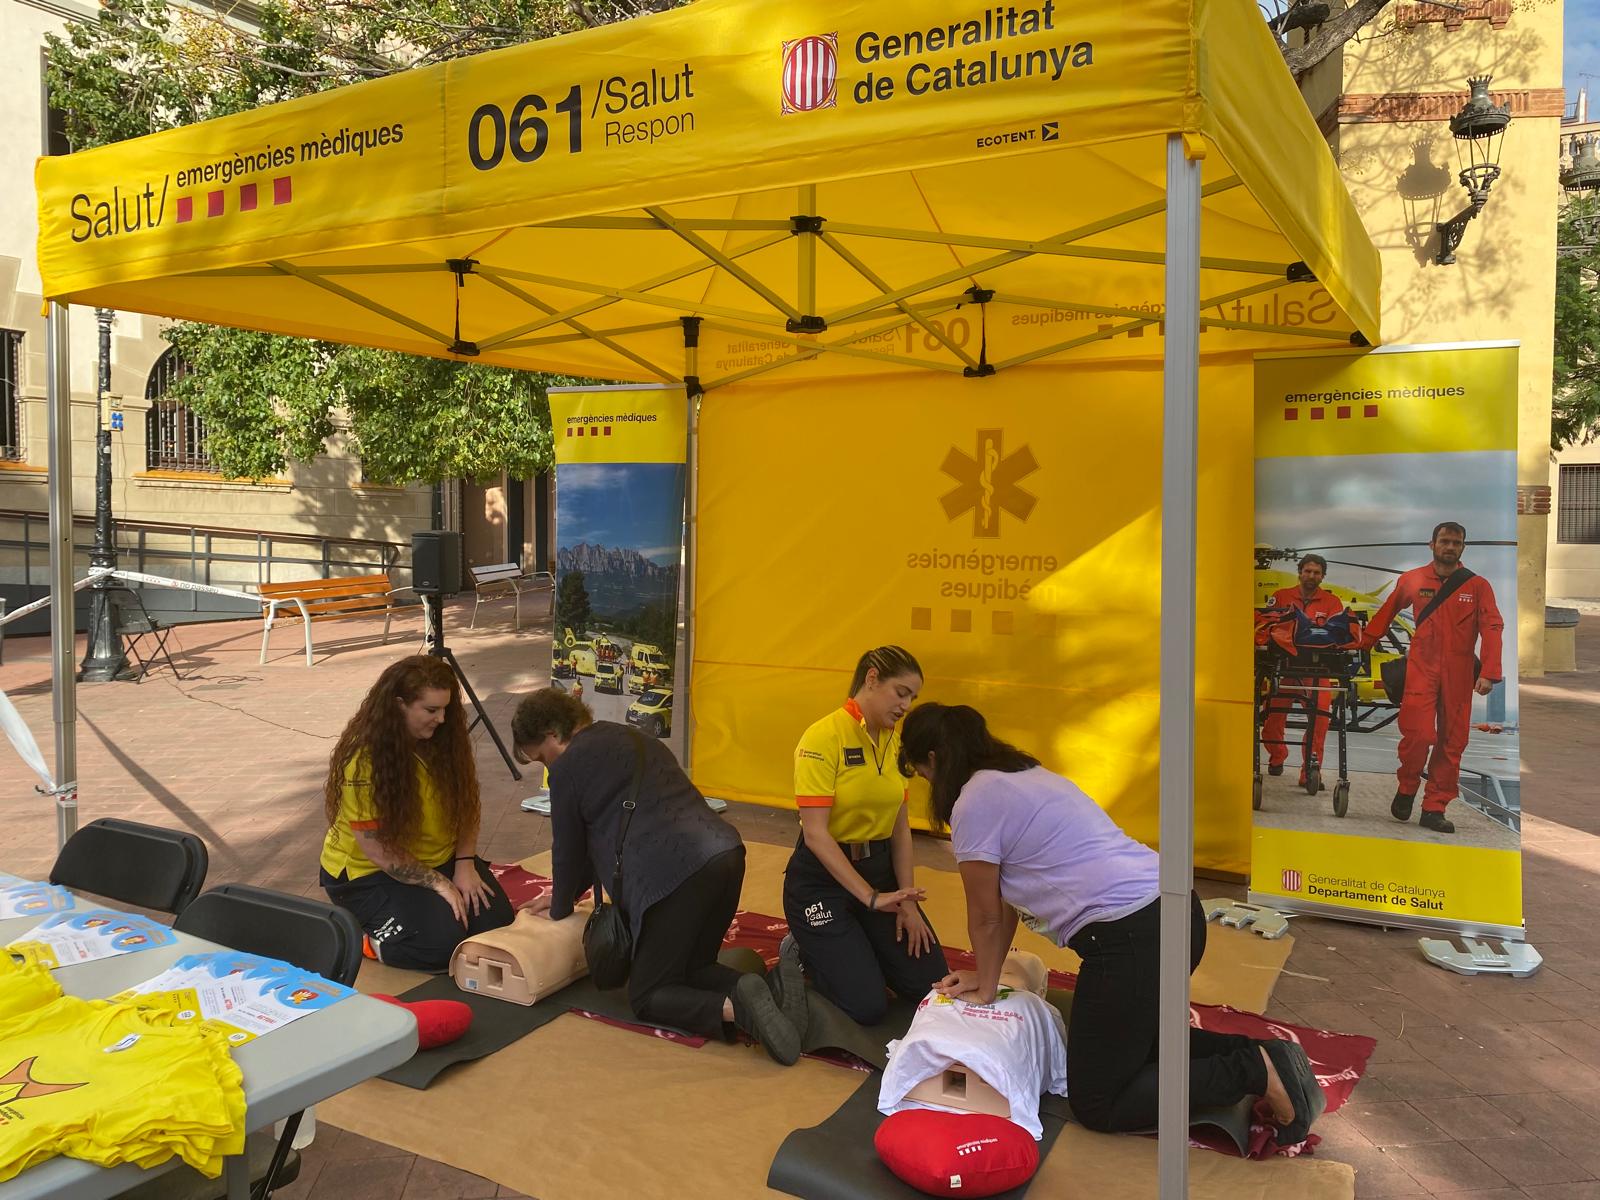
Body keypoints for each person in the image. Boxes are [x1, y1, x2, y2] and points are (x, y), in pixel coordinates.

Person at [898, 703, 1323, 1146]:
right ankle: (1267, 1056)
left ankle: (1254, 1071)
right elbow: (1001, 905)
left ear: (933, 759)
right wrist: (984, 980)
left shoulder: (974, 801)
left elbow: (985, 915)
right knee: (1136, 1049)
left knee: (1098, 1101)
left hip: (1132, 937)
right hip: (1175, 911)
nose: (927, 783)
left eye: (920, 772)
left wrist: (986, 989)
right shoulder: (1023, 774)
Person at [511, 688, 804, 1064]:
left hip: (673, 876)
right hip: (726, 854)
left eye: (541, 758)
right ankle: (767, 991)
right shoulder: (633, 736)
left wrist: (560, 906)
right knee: (692, 968)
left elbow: (568, 847)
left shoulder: (567, 768)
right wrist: (571, 891)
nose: (547, 768)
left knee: (649, 995)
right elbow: (603, 833)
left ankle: (738, 1011)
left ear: (552, 735)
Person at [784, 646, 948, 1026]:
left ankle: (859, 945)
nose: (907, 705)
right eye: (901, 692)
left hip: (880, 877)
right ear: (872, 678)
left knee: (930, 986)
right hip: (822, 883)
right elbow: (816, 836)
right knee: (866, 1005)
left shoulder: (896, 744)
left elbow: (900, 828)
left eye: (913, 697)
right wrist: (871, 899)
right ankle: (805, 951)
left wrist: (906, 901)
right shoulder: (822, 738)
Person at [320, 656, 515, 972]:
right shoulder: (365, 760)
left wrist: (464, 864)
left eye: (445, 709)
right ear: (399, 705)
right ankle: (367, 939)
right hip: (370, 873)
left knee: (497, 926)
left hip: (437, 859)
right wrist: (439, 883)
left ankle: (430, 905)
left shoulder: (444, 739)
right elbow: (377, 850)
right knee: (440, 947)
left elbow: (467, 806)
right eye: (430, 710)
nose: (441, 719)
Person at [1359, 522, 1504, 835]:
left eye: (1456, 542)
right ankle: (1408, 786)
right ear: (1432, 544)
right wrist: (1362, 645)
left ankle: (1434, 807)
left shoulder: (1478, 586)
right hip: (1420, 671)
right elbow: (1386, 613)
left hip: (1459, 674)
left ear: (1462, 547)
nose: (1450, 547)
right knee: (1420, 735)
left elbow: (1492, 627)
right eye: (1445, 541)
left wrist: (1490, 672)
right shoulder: (1411, 580)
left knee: (1452, 743)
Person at [878, 950, 1068, 1140]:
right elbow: (1055, 1056)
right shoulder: (1040, 1008)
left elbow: (920, 1022)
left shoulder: (945, 989)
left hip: (921, 1062)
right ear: (1042, 992)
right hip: (996, 1083)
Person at [1259, 554, 1343, 789]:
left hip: (1316, 673)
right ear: (1300, 572)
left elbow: (1339, 632)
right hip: (1284, 670)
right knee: (1272, 720)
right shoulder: (1281, 597)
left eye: (1316, 573)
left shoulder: (1331, 602)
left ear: (1322, 576)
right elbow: (1265, 625)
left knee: (1320, 722)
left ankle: (1310, 770)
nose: (1311, 576)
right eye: (1308, 571)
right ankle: (1277, 755)